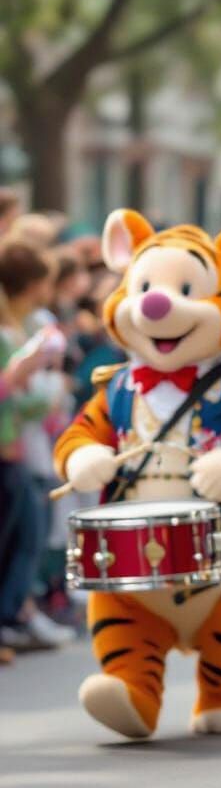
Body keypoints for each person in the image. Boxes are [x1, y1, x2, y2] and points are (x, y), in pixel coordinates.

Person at [0, 238, 76, 652]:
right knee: (24, 535)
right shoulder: (10, 331)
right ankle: (14, 613)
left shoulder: (17, 327)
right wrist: (37, 387)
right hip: (14, 449)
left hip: (19, 445)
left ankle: (18, 612)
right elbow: (10, 392)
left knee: (27, 532)